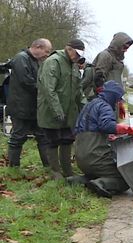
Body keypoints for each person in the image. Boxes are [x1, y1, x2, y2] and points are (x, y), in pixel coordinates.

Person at [72, 80, 133, 197]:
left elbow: (89, 128)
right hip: (93, 157)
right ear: (114, 96)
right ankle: (101, 183)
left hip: (80, 158)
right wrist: (128, 130)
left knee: (96, 171)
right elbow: (106, 125)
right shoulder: (105, 106)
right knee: (126, 177)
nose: (119, 101)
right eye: (118, 98)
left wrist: (109, 135)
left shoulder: (89, 104)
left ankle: (78, 180)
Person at [37, 38, 86, 179]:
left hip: (69, 112)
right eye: (75, 53)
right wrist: (57, 111)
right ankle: (55, 171)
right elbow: (48, 89)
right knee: (52, 141)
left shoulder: (74, 65)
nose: (77, 56)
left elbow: (78, 90)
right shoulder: (53, 62)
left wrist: (85, 108)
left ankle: (67, 170)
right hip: (50, 111)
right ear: (68, 49)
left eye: (79, 54)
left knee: (67, 139)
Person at [5, 38, 53, 167]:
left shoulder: (36, 61)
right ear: (37, 47)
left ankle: (49, 166)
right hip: (20, 107)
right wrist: (45, 90)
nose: (47, 55)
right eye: (46, 51)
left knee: (43, 136)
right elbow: (27, 82)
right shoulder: (21, 58)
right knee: (18, 137)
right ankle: (13, 167)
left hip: (34, 107)